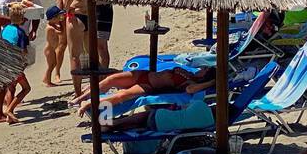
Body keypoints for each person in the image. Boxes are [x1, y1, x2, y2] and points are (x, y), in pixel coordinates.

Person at [70, 63, 215, 111]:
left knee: (122, 95)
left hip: (148, 85)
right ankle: (80, 98)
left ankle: (89, 103)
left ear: (205, 75)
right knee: (111, 79)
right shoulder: (188, 71)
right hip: (143, 74)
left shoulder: (192, 83)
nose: (202, 68)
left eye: (205, 69)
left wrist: (211, 83)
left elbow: (190, 91)